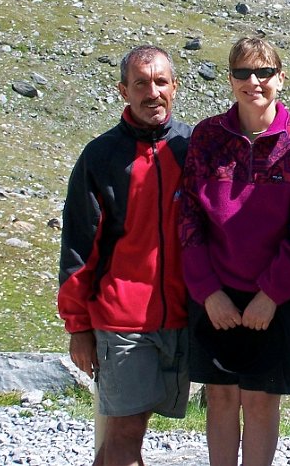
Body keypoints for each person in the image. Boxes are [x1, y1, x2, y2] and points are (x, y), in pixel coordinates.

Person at [179, 37, 290, 466]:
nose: (254, 82)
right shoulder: (208, 136)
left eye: (264, 72)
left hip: (277, 299)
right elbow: (188, 217)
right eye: (243, 73)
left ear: (281, 78)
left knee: (262, 402)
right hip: (215, 296)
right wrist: (207, 291)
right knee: (221, 398)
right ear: (230, 79)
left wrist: (272, 294)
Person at [58, 45, 192, 466]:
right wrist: (79, 327)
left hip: (184, 316)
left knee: (130, 429)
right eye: (140, 83)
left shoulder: (193, 147)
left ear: (175, 87)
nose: (152, 92)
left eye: (160, 82)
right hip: (123, 319)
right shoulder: (101, 156)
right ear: (123, 91)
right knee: (127, 431)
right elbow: (78, 249)